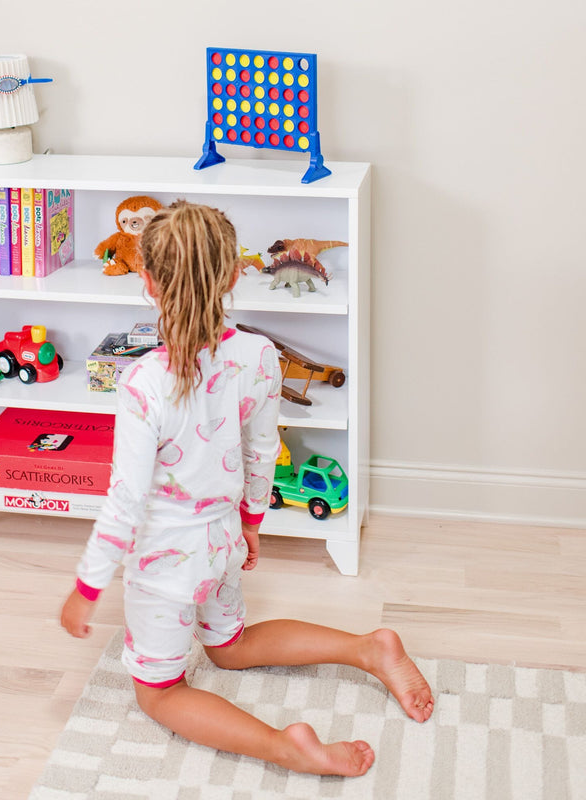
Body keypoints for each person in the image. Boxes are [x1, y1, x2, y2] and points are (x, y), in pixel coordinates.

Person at [61, 200, 433, 778]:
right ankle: (367, 648)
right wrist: (252, 523)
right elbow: (264, 451)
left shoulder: (142, 383)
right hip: (224, 540)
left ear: (149, 282)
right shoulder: (258, 355)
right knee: (227, 646)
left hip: (166, 563)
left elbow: (126, 499)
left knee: (158, 692)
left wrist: (88, 586)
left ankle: (286, 747)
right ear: (235, 276)